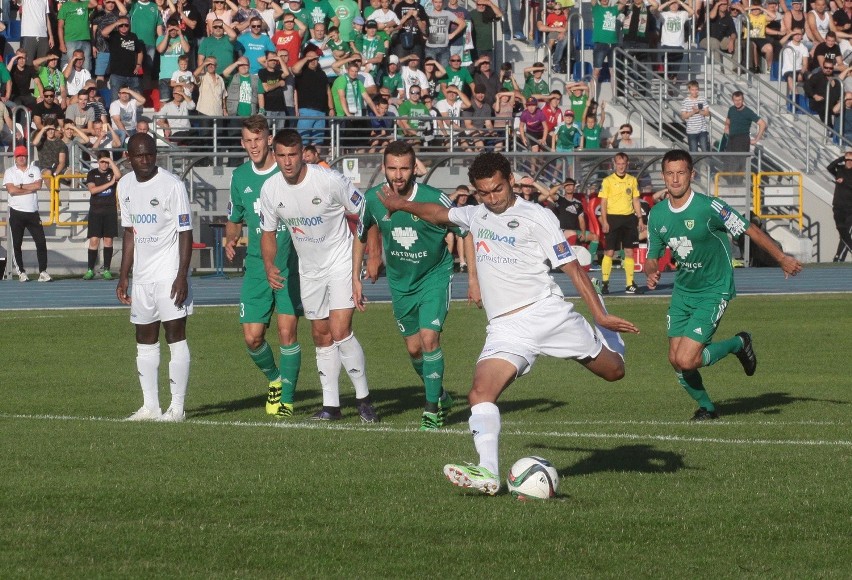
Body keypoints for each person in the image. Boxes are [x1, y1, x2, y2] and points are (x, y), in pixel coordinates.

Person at [375, 151, 638, 495]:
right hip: (505, 328)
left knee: (614, 371)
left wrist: (600, 316)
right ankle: (487, 472)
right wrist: (400, 204)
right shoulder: (476, 213)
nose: (491, 198)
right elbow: (437, 213)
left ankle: (605, 336)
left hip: (547, 315)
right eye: (483, 192)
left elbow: (572, 267)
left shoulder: (537, 217)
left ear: (511, 180)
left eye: (497, 189)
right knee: (480, 393)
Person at [644, 149, 803, 420]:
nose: (675, 179)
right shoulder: (657, 214)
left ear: (691, 175)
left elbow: (748, 228)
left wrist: (780, 258)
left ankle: (738, 344)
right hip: (683, 292)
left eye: (681, 172)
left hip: (714, 289)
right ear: (663, 177)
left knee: (687, 360)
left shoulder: (710, 207)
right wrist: (651, 271)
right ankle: (707, 408)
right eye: (670, 173)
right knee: (675, 360)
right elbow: (651, 256)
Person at [259, 129, 379, 423]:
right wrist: (269, 264)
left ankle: (364, 400)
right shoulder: (271, 189)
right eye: (282, 156)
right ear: (275, 156)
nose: (288, 162)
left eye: (293, 155)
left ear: (303, 155)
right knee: (320, 334)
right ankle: (331, 405)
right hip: (309, 269)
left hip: (340, 262)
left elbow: (366, 212)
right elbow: (268, 232)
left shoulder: (328, 180)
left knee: (340, 330)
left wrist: (373, 255)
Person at [354, 141, 473, 430]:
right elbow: (359, 235)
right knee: (414, 350)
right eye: (392, 168)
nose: (398, 175)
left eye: (404, 168)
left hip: (434, 275)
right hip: (400, 282)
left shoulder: (434, 198)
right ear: (383, 168)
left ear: (414, 168)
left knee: (429, 338)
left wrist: (473, 278)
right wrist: (354, 279)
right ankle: (440, 394)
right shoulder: (371, 199)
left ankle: (432, 411)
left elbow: (466, 229)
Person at [224, 116, 303, 418]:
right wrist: (231, 240)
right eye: (248, 140)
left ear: (269, 139)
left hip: (289, 264)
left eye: (259, 139)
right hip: (257, 265)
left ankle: (287, 400)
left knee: (287, 332)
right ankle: (275, 379)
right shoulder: (240, 177)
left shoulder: (286, 172)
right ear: (243, 143)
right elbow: (234, 220)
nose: (254, 145)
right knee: (252, 337)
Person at [117, 133, 193, 423]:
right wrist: (124, 276)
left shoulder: (172, 186)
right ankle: (150, 406)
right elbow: (129, 233)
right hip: (143, 278)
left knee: (175, 335)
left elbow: (185, 232)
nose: (145, 160)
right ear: (129, 157)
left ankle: (177, 407)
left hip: (169, 275)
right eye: (139, 155)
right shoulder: (124, 185)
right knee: (144, 339)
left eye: (150, 154)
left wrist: (181, 275)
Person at [4, 146, 51, 283]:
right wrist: (27, 187)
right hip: (16, 212)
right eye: (19, 156)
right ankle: (21, 272)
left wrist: (20, 186)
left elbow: (38, 186)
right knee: (17, 244)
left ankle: (43, 271)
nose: (21, 158)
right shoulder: (10, 172)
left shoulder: (34, 169)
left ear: (27, 156)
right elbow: (11, 190)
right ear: (15, 157)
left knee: (41, 242)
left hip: (32, 213)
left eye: (23, 155)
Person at [599, 151, 643, 294]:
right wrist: (604, 221)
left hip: (629, 218)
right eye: (618, 163)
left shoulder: (632, 180)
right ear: (614, 164)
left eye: (623, 164)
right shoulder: (607, 181)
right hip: (613, 218)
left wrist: (640, 218)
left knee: (629, 251)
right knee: (610, 251)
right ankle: (605, 283)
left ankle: (630, 284)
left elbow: (636, 200)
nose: (621, 166)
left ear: (627, 164)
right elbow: (603, 202)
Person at [83, 152, 121, 280]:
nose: (104, 164)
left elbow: (119, 175)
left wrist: (111, 161)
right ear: (98, 162)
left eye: (106, 162)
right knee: (94, 240)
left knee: (108, 240)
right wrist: (109, 184)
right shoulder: (92, 173)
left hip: (110, 210)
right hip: (96, 210)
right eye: (102, 161)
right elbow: (93, 190)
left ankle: (106, 269)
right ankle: (90, 269)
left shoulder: (111, 172)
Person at [826, 152, 852, 262]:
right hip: (838, 206)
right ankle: (839, 256)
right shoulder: (840, 170)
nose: (849, 163)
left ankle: (838, 257)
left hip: (850, 209)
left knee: (846, 232)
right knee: (841, 229)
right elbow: (830, 167)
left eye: (851, 161)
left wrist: (844, 182)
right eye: (847, 160)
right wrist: (842, 158)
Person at [680, 80, 710, 152]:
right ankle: (695, 163)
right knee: (693, 151)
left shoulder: (702, 99)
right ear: (689, 90)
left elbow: (707, 113)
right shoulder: (685, 101)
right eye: (692, 90)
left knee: (705, 149)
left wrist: (699, 111)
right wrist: (693, 112)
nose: (695, 92)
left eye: (696, 89)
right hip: (691, 131)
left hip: (702, 130)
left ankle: (706, 163)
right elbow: (683, 116)